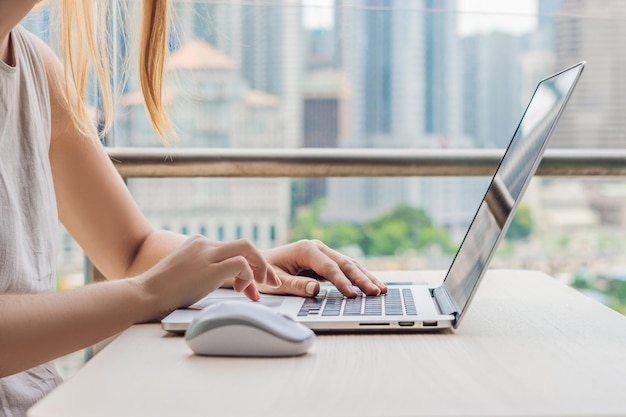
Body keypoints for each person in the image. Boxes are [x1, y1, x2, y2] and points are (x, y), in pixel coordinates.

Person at [0, 1, 387, 415]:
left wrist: (249, 263)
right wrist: (146, 294)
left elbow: (131, 250)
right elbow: (142, 279)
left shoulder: (37, 67)